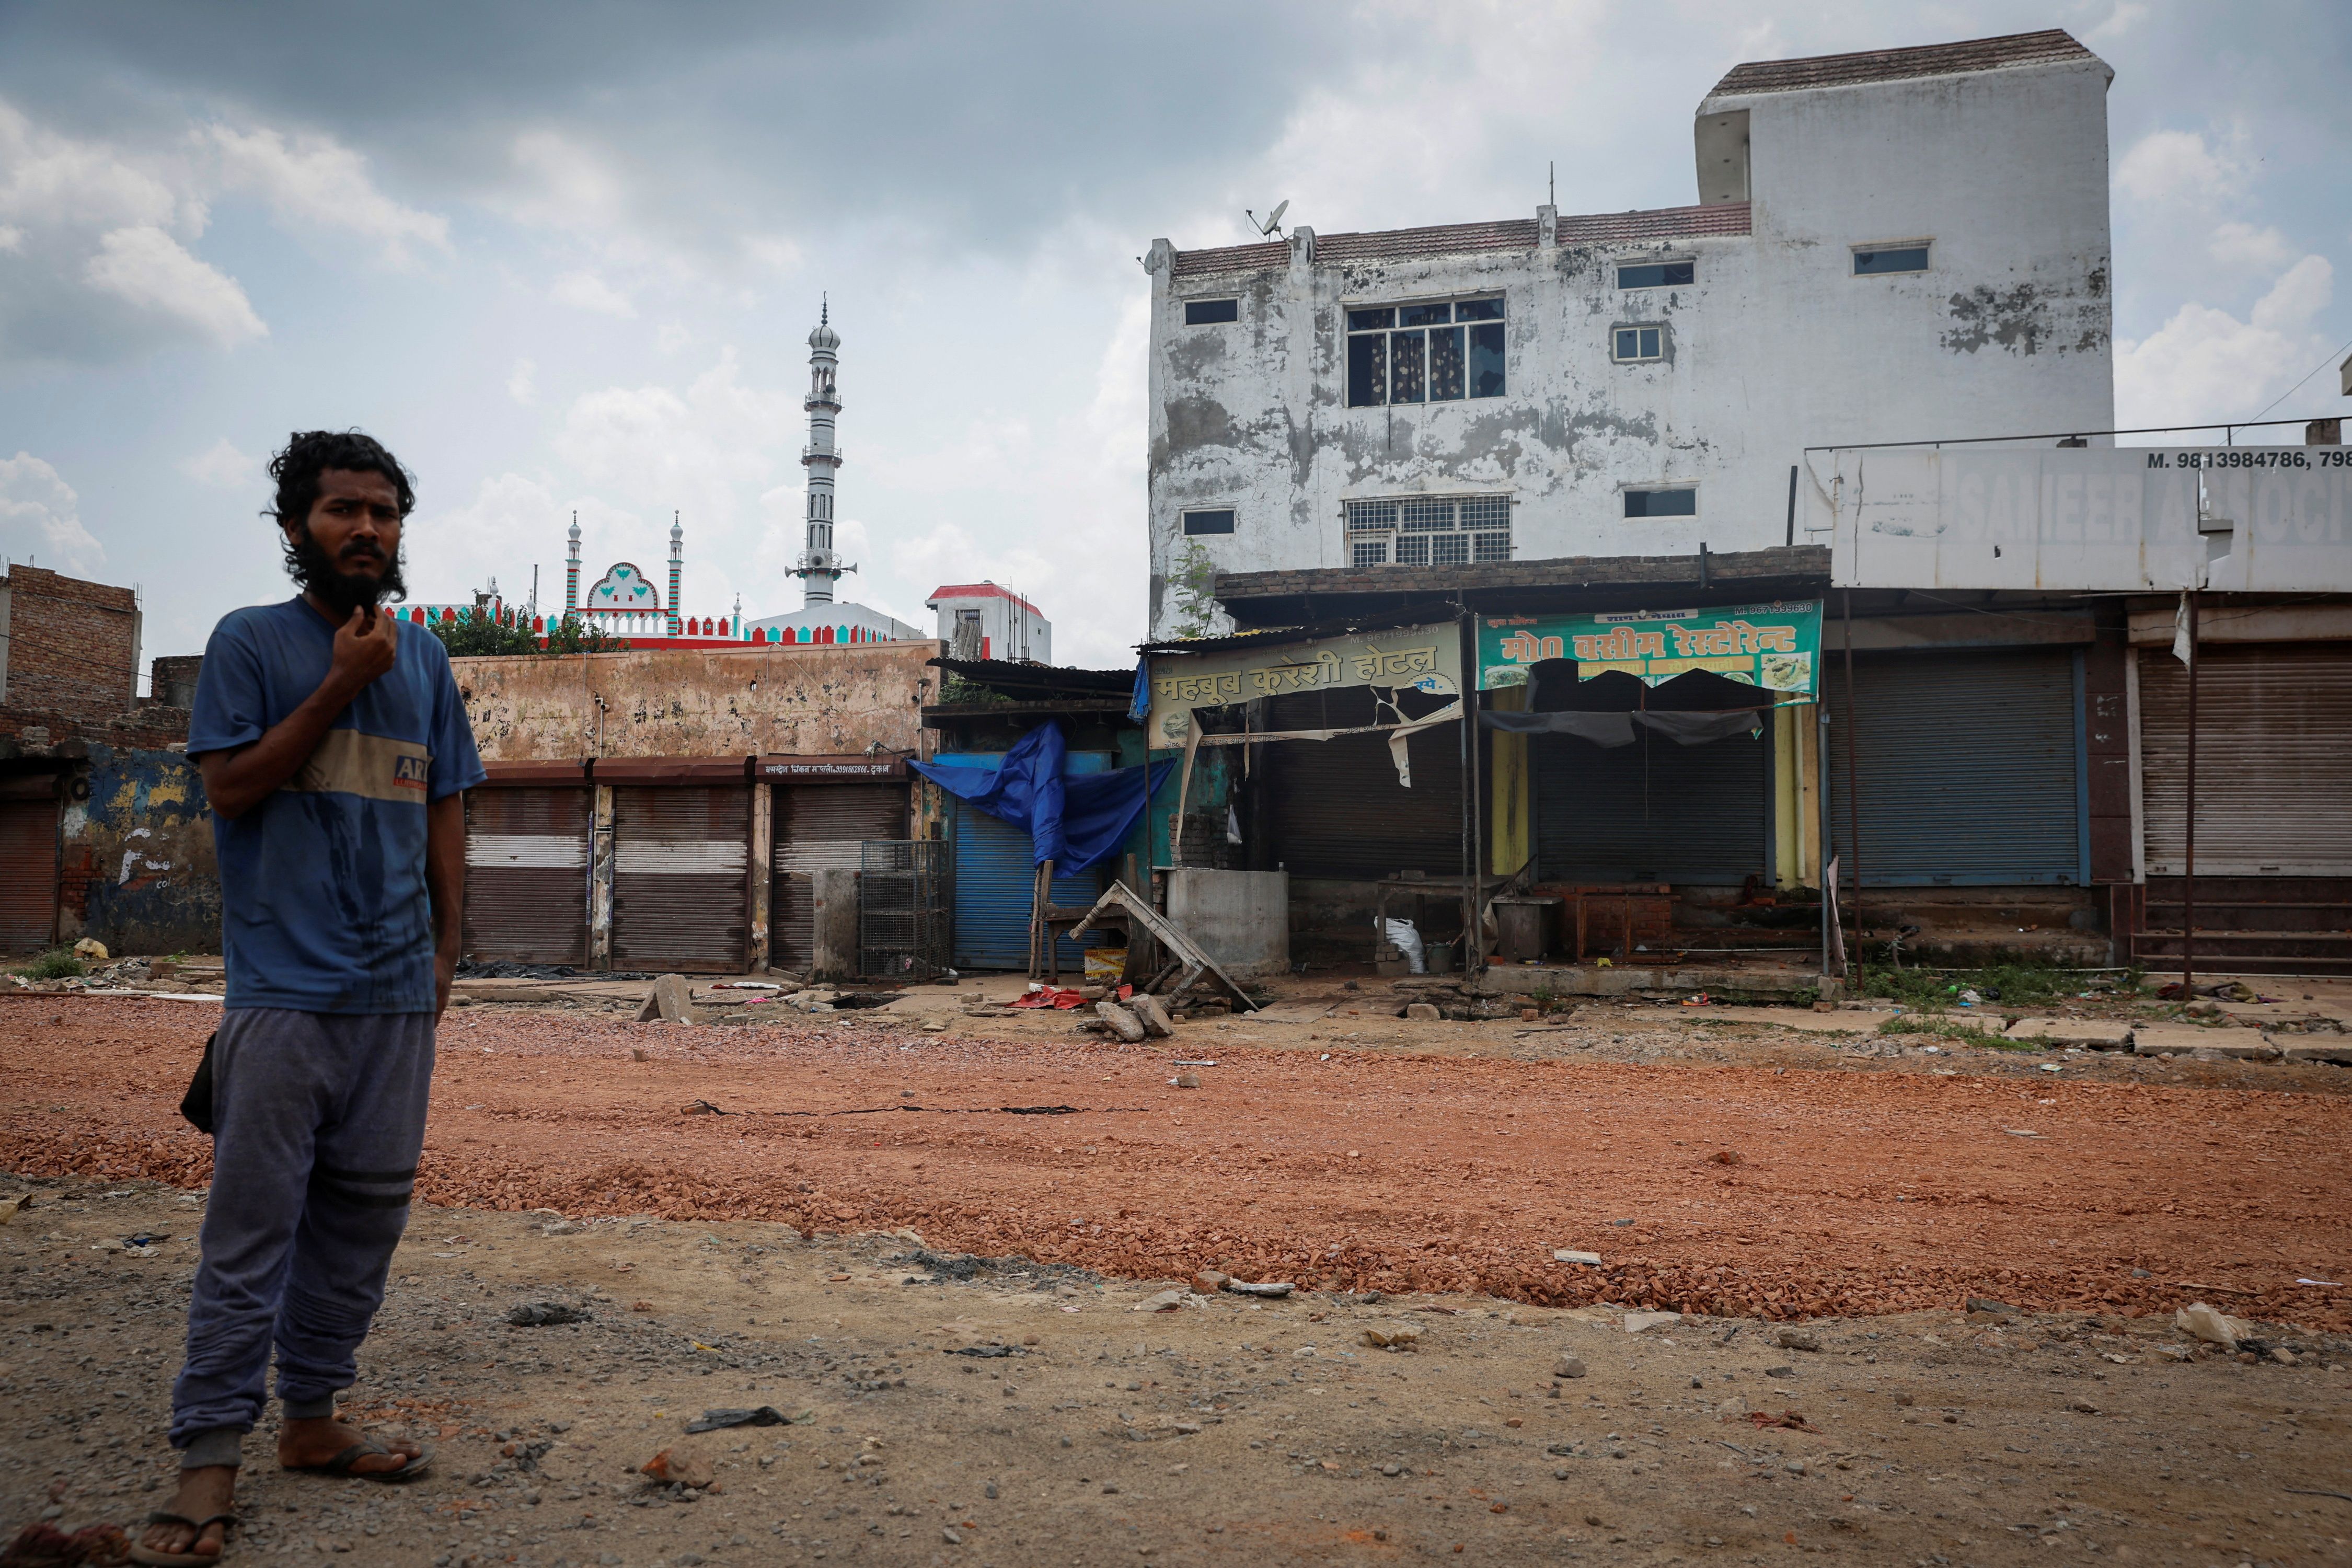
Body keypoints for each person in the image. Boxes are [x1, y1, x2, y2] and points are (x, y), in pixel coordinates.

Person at [134, 430, 483, 1566]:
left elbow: (443, 809)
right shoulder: (250, 644)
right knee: (254, 1232)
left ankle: (315, 1422)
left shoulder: (425, 661)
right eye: (343, 511)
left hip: (394, 999)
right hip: (283, 993)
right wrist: (341, 681)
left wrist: (445, 952)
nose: (367, 531)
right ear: (296, 528)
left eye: (384, 513)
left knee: (364, 1220)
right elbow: (232, 791)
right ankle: (206, 1464)